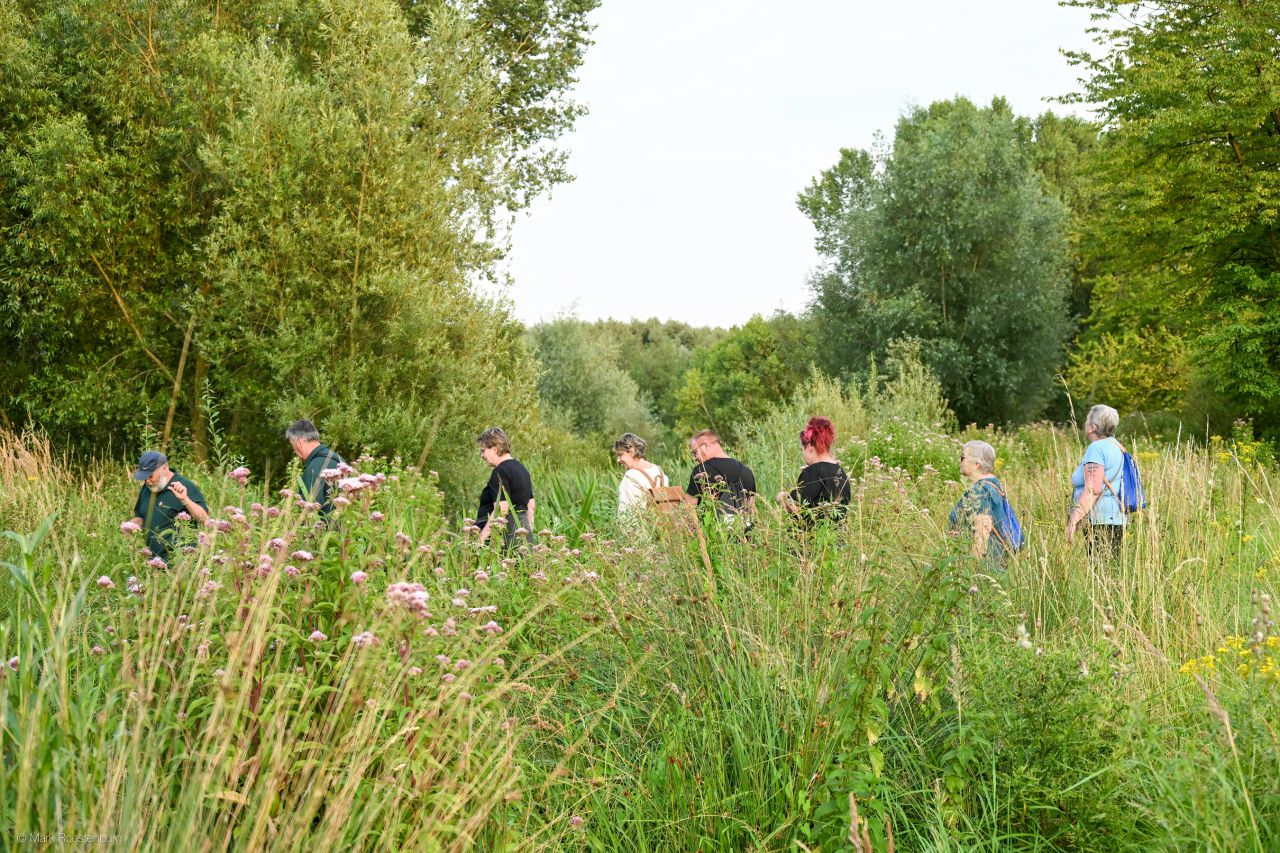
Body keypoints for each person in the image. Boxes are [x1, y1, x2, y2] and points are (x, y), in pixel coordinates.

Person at [1065, 404, 1126, 557]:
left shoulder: (1096, 448)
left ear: (1092, 427)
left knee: (1098, 573)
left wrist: (1074, 518)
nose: (1084, 423)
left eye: (1086, 420)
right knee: (1110, 570)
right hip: (1117, 517)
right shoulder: (1117, 446)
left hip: (1100, 519)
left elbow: (1093, 489)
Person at [127, 450, 210, 561]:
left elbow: (204, 519)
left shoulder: (184, 486)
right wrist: (130, 526)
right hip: (152, 564)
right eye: (144, 477)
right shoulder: (146, 489)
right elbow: (142, 518)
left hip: (180, 562)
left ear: (164, 468)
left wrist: (185, 500)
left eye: (150, 476)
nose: (147, 481)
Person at [948, 440, 1013, 565]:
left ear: (977, 464)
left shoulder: (981, 490)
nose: (960, 462)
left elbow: (982, 531)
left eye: (963, 457)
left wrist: (974, 570)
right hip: (996, 563)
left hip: (985, 568)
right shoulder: (993, 484)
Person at [777, 416, 850, 526]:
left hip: (815, 540)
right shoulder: (841, 472)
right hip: (837, 539)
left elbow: (798, 510)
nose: (802, 454)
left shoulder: (814, 471)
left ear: (809, 447)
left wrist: (783, 498)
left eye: (802, 450)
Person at [476, 427, 536, 553]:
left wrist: (481, 539)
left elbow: (501, 509)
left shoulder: (500, 471)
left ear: (494, 449)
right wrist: (526, 537)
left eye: (483, 450)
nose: (482, 455)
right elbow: (531, 506)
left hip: (503, 537)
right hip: (522, 534)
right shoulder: (522, 469)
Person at [685, 429, 756, 523]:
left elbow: (689, 508)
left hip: (713, 535)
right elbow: (752, 511)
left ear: (705, 446)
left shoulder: (701, 471)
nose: (695, 459)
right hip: (744, 534)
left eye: (695, 452)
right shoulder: (747, 472)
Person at [286, 419, 344, 516]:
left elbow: (309, 514)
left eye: (293, 446)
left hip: (326, 530)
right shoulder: (340, 460)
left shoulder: (313, 469)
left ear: (299, 442)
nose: (294, 451)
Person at [613, 432, 673, 514]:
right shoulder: (658, 470)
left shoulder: (631, 476)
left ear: (631, 452)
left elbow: (626, 514)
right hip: (663, 525)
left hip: (642, 525)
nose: (618, 460)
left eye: (620, 455)